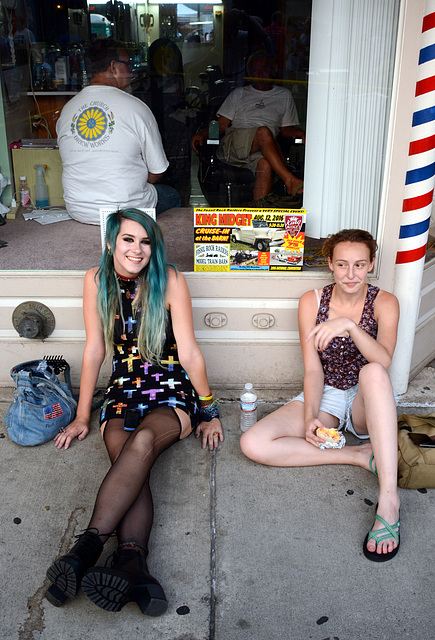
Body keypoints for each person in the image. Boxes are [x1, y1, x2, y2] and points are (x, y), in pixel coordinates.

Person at [45, 208, 223, 614]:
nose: (137, 249)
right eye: (128, 239)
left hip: (171, 385)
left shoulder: (171, 280)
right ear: (110, 243)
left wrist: (209, 408)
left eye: (145, 241)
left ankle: (85, 550)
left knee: (143, 441)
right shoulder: (95, 280)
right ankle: (131, 563)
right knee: (129, 460)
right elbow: (95, 349)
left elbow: (190, 351)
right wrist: (82, 415)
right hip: (124, 386)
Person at [240, 229, 401, 562]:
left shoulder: (385, 302)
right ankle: (358, 456)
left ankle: (389, 499)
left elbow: (383, 360)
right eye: (342, 264)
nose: (351, 274)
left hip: (366, 398)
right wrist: (311, 414)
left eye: (359, 264)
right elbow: (313, 369)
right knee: (253, 443)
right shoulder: (312, 301)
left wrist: (349, 326)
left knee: (372, 371)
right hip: (327, 392)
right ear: (329, 263)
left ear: (371, 264)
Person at [56, 39, 180, 225]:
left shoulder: (67, 110)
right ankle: (156, 245)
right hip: (126, 211)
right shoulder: (136, 108)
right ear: (113, 67)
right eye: (128, 65)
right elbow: (157, 170)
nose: (131, 73)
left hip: (79, 210)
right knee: (172, 195)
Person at [191, 50, 305, 204]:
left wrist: (300, 133)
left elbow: (286, 129)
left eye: (264, 69)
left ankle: (258, 218)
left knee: (265, 165)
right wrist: (203, 133)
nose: (259, 74)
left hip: (263, 148)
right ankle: (290, 180)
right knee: (263, 132)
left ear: (272, 70)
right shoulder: (239, 94)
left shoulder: (284, 95)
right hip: (235, 143)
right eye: (255, 70)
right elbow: (222, 125)